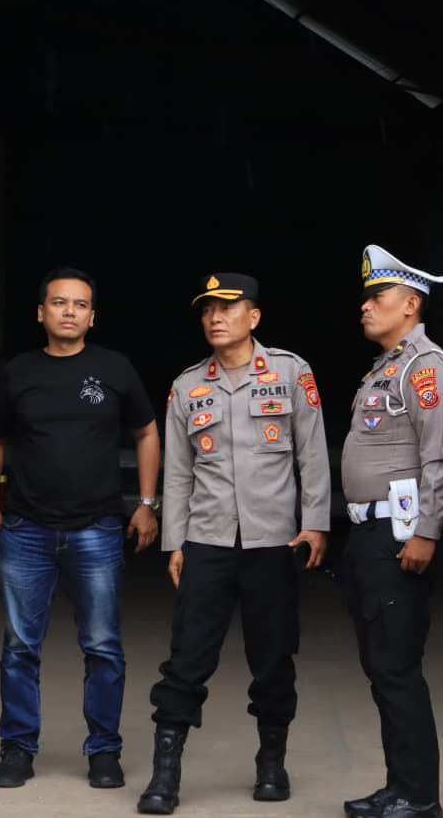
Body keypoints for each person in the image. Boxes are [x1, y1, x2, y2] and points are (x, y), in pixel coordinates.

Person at [136, 272, 330, 815]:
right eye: (207, 310)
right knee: (187, 657)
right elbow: (178, 472)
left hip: (274, 542)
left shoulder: (291, 372)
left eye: (227, 307)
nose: (215, 317)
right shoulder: (187, 385)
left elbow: (312, 453)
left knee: (273, 657)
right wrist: (174, 542)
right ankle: (165, 774)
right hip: (207, 541)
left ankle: (271, 763)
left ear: (254, 316)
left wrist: (316, 523)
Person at [0, 266, 161, 790]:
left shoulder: (114, 368)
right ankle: (17, 749)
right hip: (25, 529)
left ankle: (104, 751)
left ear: (92, 316)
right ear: (41, 312)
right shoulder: (17, 372)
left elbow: (147, 433)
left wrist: (146, 503)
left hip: (97, 530)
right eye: (59, 302)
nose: (69, 311)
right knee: (19, 646)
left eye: (80, 304)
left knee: (102, 646)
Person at [340, 244, 443, 818]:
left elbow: (439, 456)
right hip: (372, 534)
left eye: (377, 295)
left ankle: (419, 796)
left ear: (411, 304)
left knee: (396, 667)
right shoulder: (386, 366)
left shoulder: (424, 366)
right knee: (381, 667)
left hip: (399, 533)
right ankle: (399, 786)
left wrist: (426, 532)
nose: (365, 305)